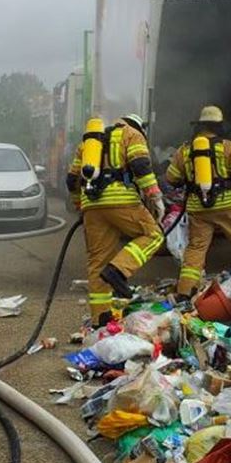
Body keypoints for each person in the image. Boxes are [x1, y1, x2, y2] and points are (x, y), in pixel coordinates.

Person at [66, 114, 165, 324]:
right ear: (137, 127)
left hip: (92, 206)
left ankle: (100, 320)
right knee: (153, 235)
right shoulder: (131, 135)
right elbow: (140, 167)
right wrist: (155, 196)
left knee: (97, 262)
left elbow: (72, 180)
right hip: (121, 200)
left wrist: (80, 205)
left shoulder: (89, 143)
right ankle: (118, 270)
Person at [165, 105, 231, 297]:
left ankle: (185, 291)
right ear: (219, 127)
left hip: (198, 208)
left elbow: (171, 179)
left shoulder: (185, 150)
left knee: (196, 249)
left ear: (199, 126)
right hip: (228, 205)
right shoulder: (227, 147)